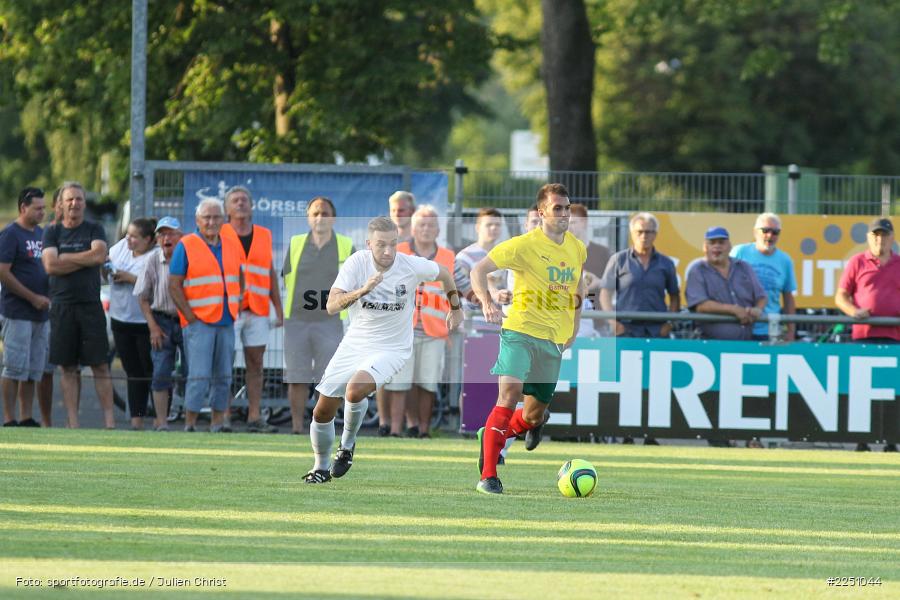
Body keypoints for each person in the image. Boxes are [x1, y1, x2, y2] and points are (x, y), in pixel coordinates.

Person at [304, 216, 463, 484]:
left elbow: (445, 274)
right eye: (381, 245)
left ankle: (347, 446)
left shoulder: (410, 266)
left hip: (392, 348)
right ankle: (320, 468)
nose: (388, 251)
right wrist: (362, 290)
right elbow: (332, 305)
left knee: (355, 390)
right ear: (369, 244)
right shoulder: (357, 264)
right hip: (354, 344)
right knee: (322, 410)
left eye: (393, 244)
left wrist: (455, 308)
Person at [470, 183, 586, 495]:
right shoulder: (522, 245)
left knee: (533, 414)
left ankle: (503, 432)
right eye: (557, 208)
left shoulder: (577, 248)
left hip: (552, 340)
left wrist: (574, 328)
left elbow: (579, 289)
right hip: (519, 331)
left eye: (567, 207)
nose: (564, 213)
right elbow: (478, 271)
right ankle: (489, 477)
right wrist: (487, 302)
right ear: (541, 212)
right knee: (509, 394)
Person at [599, 212, 679, 445]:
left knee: (657, 385)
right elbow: (605, 293)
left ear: (656, 234)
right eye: (640, 232)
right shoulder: (619, 259)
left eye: (649, 232)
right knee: (627, 385)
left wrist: (669, 323)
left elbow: (674, 296)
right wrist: (612, 321)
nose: (644, 236)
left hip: (656, 333)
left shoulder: (665, 264)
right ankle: (626, 433)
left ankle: (651, 433)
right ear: (632, 233)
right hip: (627, 331)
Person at [41, 181, 116, 429]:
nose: (75, 203)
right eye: (70, 199)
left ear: (84, 203)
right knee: (68, 367)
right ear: (60, 204)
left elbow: (99, 255)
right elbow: (51, 266)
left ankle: (109, 423)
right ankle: (73, 424)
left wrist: (66, 258)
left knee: (100, 365)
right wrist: (85, 259)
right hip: (62, 307)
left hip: (90, 305)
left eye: (79, 199)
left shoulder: (95, 228)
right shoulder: (52, 232)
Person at [282, 196, 354, 435]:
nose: (320, 217)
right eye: (315, 213)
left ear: (333, 218)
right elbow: (286, 278)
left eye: (325, 213)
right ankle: (296, 428)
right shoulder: (296, 244)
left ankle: (322, 427)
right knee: (297, 376)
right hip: (297, 321)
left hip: (330, 322)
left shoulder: (346, 245)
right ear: (308, 218)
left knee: (329, 378)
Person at [169, 198, 241, 433]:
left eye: (216, 217)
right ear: (197, 220)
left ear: (223, 220)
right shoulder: (186, 244)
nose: (211, 222)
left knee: (224, 375)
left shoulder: (231, 244)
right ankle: (190, 423)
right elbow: (174, 285)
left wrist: (236, 303)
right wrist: (190, 317)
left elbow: (239, 276)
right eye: (206, 217)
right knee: (198, 376)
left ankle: (217, 423)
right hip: (199, 322)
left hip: (226, 319)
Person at [384, 205, 454, 438]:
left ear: (438, 229)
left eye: (431, 225)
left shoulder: (448, 257)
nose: (426, 229)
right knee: (398, 383)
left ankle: (423, 430)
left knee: (428, 383)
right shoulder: (399, 251)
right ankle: (395, 429)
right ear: (413, 228)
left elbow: (457, 290)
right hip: (402, 330)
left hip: (434, 332)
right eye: (421, 224)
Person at [220, 186, 283, 433]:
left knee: (256, 363)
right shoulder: (220, 232)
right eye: (235, 200)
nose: (240, 204)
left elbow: (268, 272)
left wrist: (277, 307)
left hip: (257, 309)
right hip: (228, 309)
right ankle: (222, 415)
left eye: (244, 200)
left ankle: (254, 416)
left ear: (252, 206)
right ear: (227, 209)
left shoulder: (264, 235)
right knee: (225, 362)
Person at [835, 217, 900, 453]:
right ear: (868, 237)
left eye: (883, 235)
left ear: (892, 238)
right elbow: (841, 296)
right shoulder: (857, 262)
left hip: (894, 336)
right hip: (864, 335)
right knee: (863, 390)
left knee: (892, 390)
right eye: (875, 234)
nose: (879, 239)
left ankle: (891, 440)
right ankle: (862, 440)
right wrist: (854, 311)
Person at [0, 187, 50, 427]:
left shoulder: (42, 234)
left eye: (44, 207)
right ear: (23, 207)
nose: (43, 212)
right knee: (14, 367)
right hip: (18, 312)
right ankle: (9, 418)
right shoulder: (11, 234)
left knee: (33, 369)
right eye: (37, 208)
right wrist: (32, 297)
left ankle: (26, 415)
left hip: (41, 314)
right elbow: (3, 273)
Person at [134, 217, 185, 431]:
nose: (167, 238)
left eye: (171, 233)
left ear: (180, 237)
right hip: (161, 320)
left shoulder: (189, 256)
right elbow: (142, 297)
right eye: (162, 234)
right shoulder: (151, 260)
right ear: (156, 239)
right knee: (161, 372)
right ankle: (161, 422)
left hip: (187, 319)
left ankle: (190, 422)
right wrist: (152, 327)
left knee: (193, 371)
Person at [108, 217, 157, 430]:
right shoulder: (121, 247)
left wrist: (130, 278)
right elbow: (107, 262)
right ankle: (136, 420)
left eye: (135, 237)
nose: (129, 240)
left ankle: (160, 419)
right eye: (128, 235)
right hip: (121, 319)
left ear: (148, 240)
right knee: (133, 372)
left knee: (153, 370)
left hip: (146, 322)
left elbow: (159, 283)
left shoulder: (156, 255)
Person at [376, 190, 417, 434]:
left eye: (402, 210)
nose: (397, 215)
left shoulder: (420, 239)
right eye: (394, 210)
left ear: (411, 212)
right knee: (382, 372)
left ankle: (407, 424)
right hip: (388, 314)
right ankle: (384, 422)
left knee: (407, 376)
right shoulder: (386, 239)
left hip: (415, 316)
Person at [685, 227, 766, 341]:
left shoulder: (743, 267)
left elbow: (761, 296)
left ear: (729, 246)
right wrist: (734, 310)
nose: (716, 246)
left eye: (721, 242)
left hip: (746, 343)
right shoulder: (697, 270)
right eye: (712, 243)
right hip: (711, 345)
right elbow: (701, 305)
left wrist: (757, 309)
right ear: (705, 247)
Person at [730, 213, 797, 341]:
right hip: (739, 325)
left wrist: (791, 331)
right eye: (765, 230)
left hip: (769, 329)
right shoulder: (739, 252)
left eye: (775, 232)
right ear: (755, 232)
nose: (770, 235)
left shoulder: (785, 260)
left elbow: (788, 298)